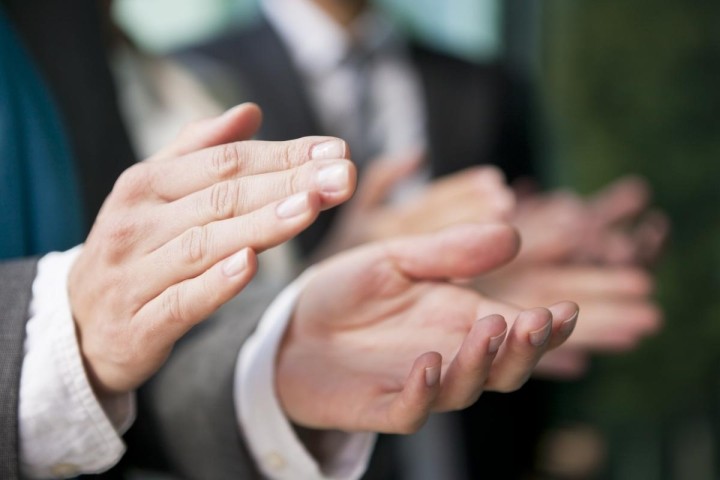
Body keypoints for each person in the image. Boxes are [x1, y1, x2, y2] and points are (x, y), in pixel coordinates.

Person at [0, 2, 580, 479]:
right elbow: (94, 336)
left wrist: (271, 353)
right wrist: (68, 332)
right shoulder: (198, 67)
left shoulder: (65, 27)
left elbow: (135, 380)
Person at [175, 0, 666, 476]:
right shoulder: (190, 80)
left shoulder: (485, 85)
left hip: (471, 442)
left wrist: (565, 260)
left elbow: (525, 270)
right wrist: (329, 274)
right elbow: (187, 329)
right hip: (296, 447)